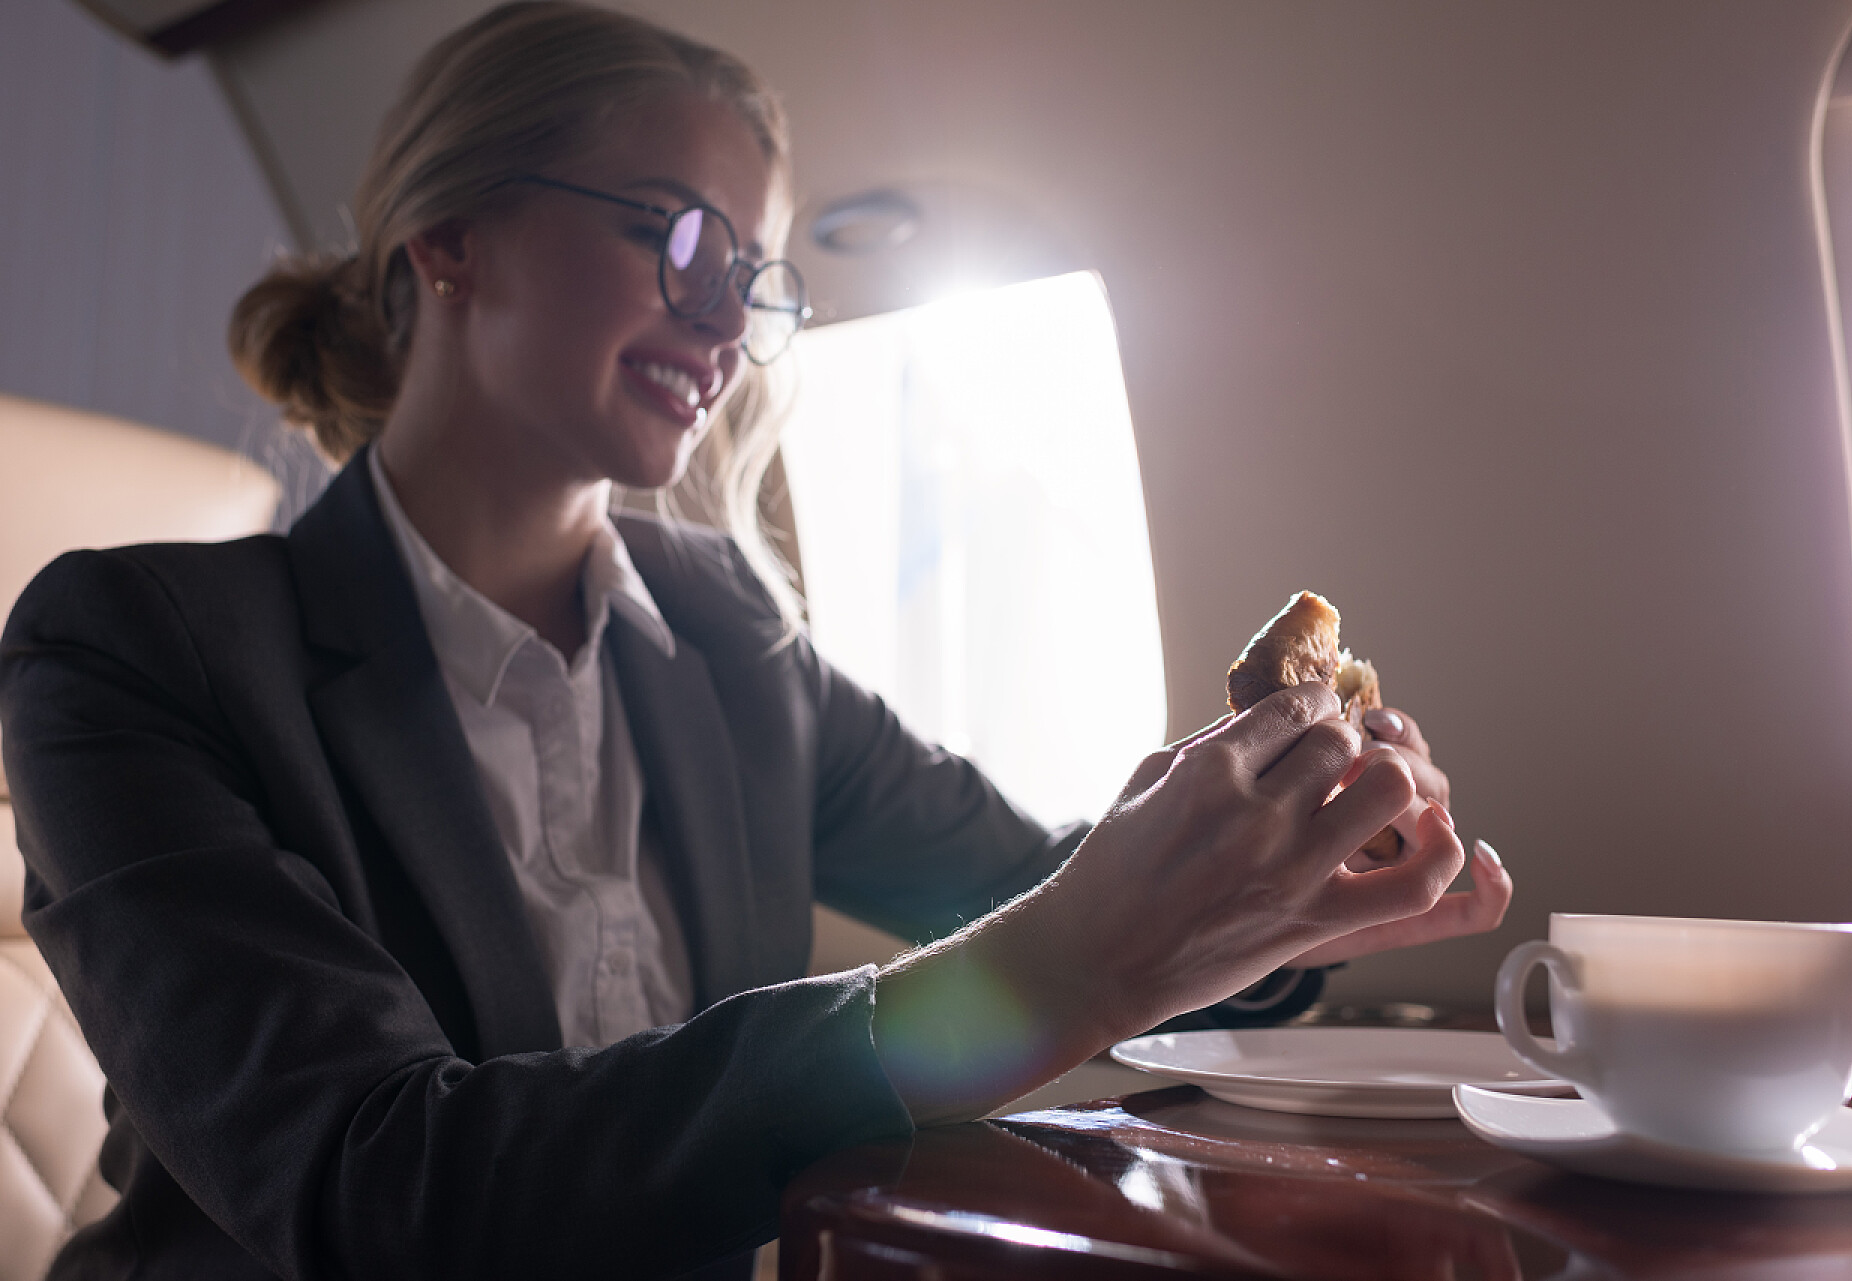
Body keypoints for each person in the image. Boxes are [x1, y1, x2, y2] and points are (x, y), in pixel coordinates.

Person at [0, 4, 1512, 1277]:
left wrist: (1296, 885)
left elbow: (1026, 885)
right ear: (449, 237)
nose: (729, 322)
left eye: (762, 277)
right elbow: (378, 1182)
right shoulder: (134, 656)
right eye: (684, 239)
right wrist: (1069, 970)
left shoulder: (727, 641)